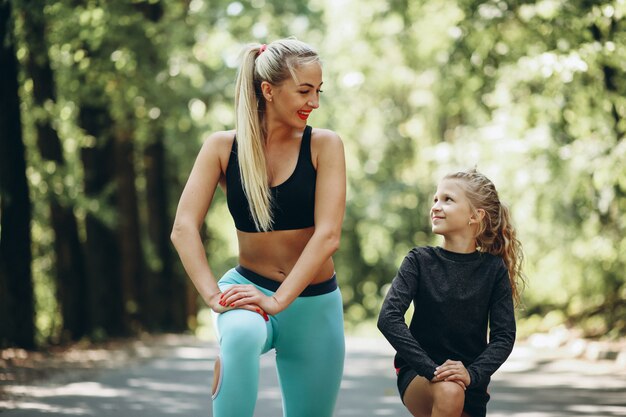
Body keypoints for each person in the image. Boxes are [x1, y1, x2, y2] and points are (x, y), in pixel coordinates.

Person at [170, 38, 346, 417]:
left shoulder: (324, 145)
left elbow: (328, 234)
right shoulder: (221, 148)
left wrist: (279, 301)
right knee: (240, 334)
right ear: (268, 90)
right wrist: (213, 297)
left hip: (313, 305)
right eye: (304, 91)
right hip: (249, 292)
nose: (314, 102)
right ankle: (231, 361)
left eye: (318, 91)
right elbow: (183, 228)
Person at [377, 169, 524, 417]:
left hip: (471, 382)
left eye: (448, 199)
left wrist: (472, 374)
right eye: (435, 199)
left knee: (453, 389)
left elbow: (503, 336)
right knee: (449, 390)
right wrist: (432, 370)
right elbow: (388, 318)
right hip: (419, 375)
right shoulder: (419, 261)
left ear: (475, 216)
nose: (436, 206)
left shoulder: (493, 269)